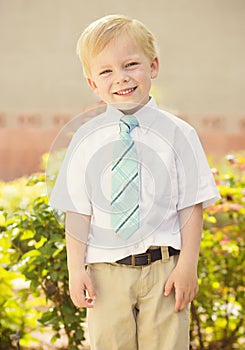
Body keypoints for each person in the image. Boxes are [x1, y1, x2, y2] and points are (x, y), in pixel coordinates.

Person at [49, 14, 220, 350]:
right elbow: (77, 211)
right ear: (92, 83)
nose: (121, 78)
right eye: (106, 71)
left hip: (165, 270)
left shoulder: (180, 134)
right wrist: (75, 269)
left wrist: (188, 267)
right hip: (105, 274)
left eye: (131, 64)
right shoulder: (86, 139)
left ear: (153, 66)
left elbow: (191, 206)